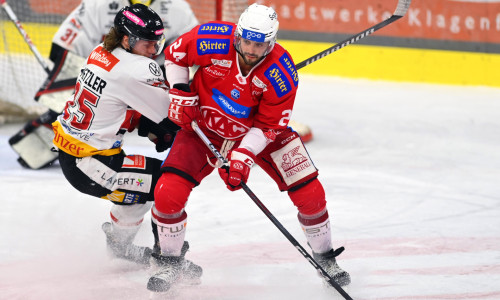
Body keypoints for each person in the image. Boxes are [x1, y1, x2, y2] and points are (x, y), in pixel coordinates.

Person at [146, 3, 350, 292]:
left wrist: (242, 157)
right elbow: (176, 53)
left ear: (272, 41)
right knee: (168, 192)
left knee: (310, 193)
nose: (253, 50)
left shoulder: (282, 73)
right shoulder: (212, 38)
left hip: (262, 135)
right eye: (248, 42)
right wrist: (180, 91)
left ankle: (326, 258)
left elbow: (269, 127)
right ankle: (170, 264)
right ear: (238, 34)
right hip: (205, 126)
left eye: (261, 44)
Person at [51, 4, 202, 281]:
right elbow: (177, 116)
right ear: (126, 39)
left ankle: (119, 246)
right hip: (92, 164)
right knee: (165, 184)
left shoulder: (101, 52)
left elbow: (120, 102)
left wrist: (148, 123)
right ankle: (167, 262)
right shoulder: (138, 69)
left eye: (157, 42)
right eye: (147, 43)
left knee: (137, 186)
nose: (154, 51)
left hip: (78, 156)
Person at [9, 0, 199, 169]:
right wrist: (84, 84)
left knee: (177, 109)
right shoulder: (99, 4)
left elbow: (194, 54)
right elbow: (62, 47)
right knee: (81, 107)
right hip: (101, 72)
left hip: (152, 76)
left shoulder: (178, 8)